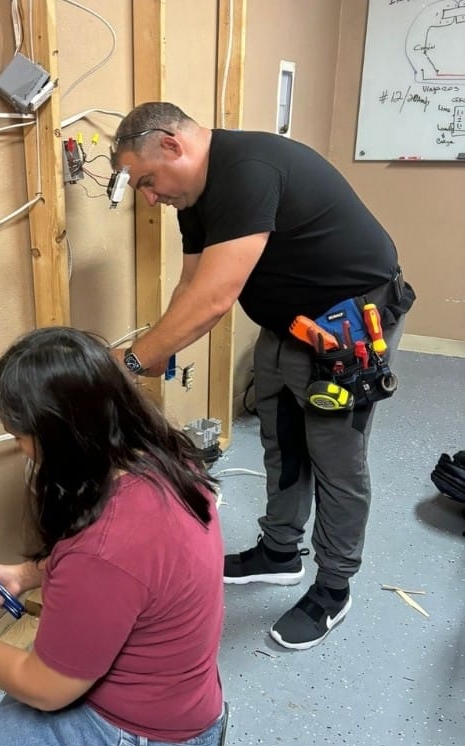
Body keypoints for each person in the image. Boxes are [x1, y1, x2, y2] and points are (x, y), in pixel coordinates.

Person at [110, 101, 415, 650]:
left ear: (174, 145)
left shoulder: (248, 171)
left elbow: (215, 299)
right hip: (289, 323)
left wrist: (132, 362)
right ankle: (279, 552)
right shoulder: (194, 196)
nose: (150, 197)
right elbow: (191, 287)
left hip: (348, 321)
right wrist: (152, 349)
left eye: (148, 181)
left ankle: (334, 587)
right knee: (282, 439)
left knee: (335, 457)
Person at [0, 326, 226, 746]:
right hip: (183, 707)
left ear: (63, 434)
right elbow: (131, 577)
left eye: (22, 436)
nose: (19, 448)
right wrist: (28, 574)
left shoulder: (106, 546)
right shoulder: (166, 463)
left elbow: (47, 688)